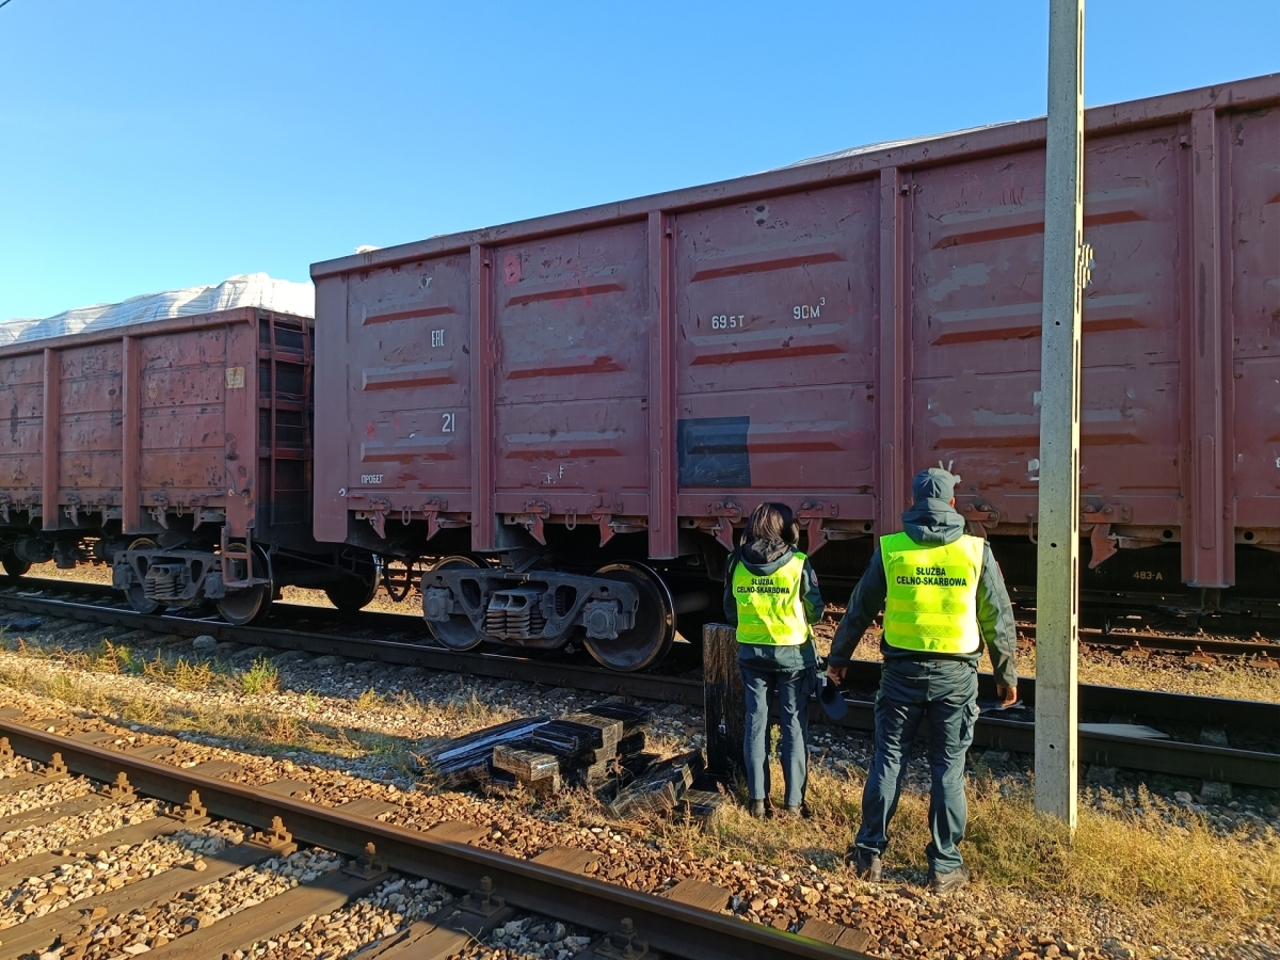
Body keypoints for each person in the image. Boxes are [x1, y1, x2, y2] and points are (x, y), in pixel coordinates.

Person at [826, 467, 1017, 894]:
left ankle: (868, 854)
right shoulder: (975, 551)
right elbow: (997, 619)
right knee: (948, 769)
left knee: (888, 760)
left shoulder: (891, 548)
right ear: (952, 504)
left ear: (913, 503)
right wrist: (1006, 675)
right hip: (956, 677)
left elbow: (859, 609)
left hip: (900, 676)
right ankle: (945, 868)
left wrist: (839, 660)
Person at [723, 502, 824, 818]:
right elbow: (815, 611)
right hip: (793, 656)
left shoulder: (734, 562)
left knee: (756, 721)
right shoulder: (798, 563)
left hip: (752, 654)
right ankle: (793, 805)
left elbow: (729, 610)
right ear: (789, 529)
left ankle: (757, 802)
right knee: (793, 725)